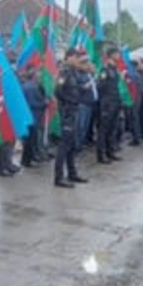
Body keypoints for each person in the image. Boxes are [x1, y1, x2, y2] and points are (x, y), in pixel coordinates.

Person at [53, 47, 92, 188]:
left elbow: (73, 89)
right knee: (64, 146)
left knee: (71, 145)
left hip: (74, 110)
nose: (77, 61)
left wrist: (83, 88)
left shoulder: (73, 73)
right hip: (67, 112)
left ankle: (72, 173)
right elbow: (57, 91)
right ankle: (58, 178)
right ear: (69, 57)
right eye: (76, 58)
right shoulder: (64, 71)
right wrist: (67, 103)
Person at [96, 46, 123, 164]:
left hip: (115, 101)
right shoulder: (105, 70)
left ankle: (110, 151)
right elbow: (100, 86)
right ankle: (101, 154)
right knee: (104, 129)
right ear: (111, 55)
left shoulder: (115, 69)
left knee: (113, 128)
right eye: (117, 54)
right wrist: (105, 101)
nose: (118, 56)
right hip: (107, 102)